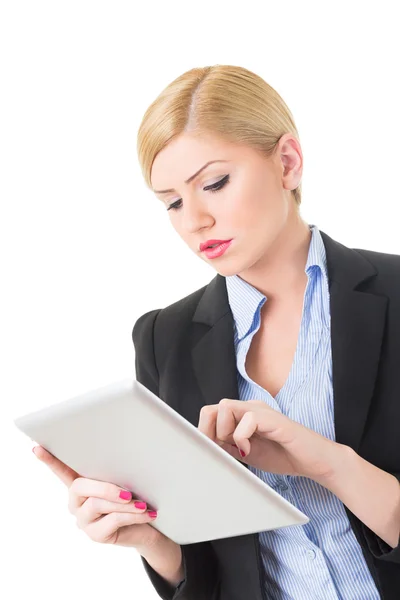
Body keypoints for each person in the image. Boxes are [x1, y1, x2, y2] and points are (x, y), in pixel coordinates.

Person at [33, 64, 400, 600]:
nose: (195, 220)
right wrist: (156, 545)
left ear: (288, 163)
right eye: (173, 203)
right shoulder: (164, 339)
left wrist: (328, 464)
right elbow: (214, 575)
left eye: (214, 183)